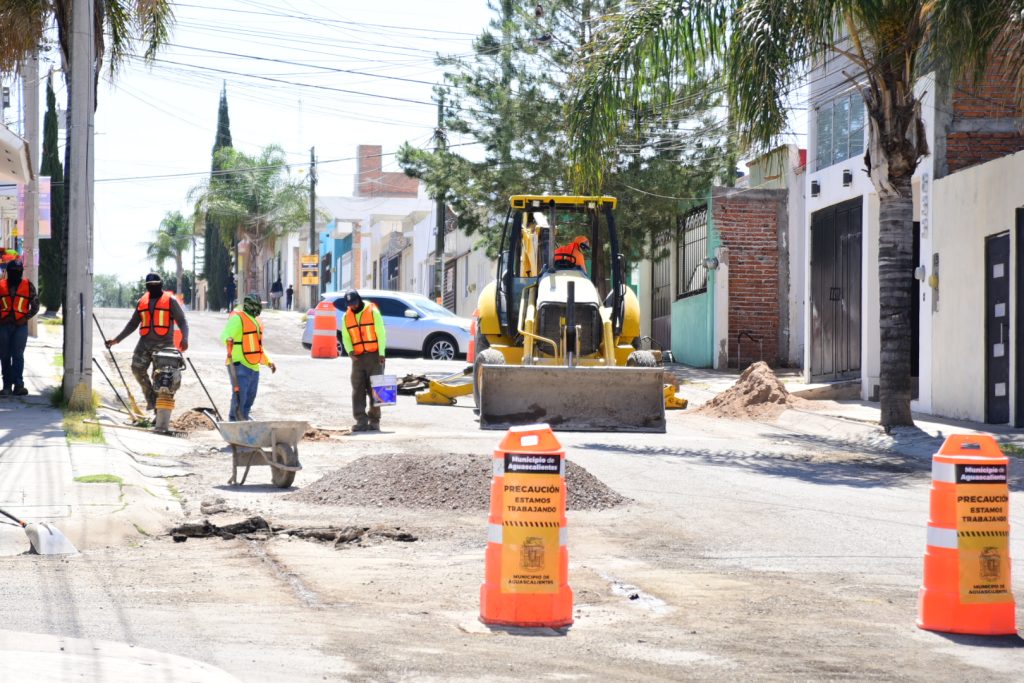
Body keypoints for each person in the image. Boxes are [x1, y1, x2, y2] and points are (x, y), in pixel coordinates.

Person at [106, 273, 189, 411]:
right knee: (137, 369)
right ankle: (151, 400)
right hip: (144, 343)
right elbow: (133, 324)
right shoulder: (142, 302)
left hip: (165, 345)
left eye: (156, 285)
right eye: (150, 285)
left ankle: (160, 411)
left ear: (161, 284)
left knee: (162, 378)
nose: (153, 287)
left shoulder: (170, 301)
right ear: (147, 286)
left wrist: (185, 338)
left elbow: (182, 321)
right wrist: (116, 340)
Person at [335, 290, 386, 432]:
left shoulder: (372, 310)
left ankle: (375, 421)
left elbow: (380, 332)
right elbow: (346, 336)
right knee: (357, 389)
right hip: (357, 357)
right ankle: (361, 421)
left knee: (376, 390)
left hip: (375, 356)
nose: (353, 306)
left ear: (360, 300)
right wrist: (350, 352)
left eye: (355, 303)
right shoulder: (346, 316)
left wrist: (381, 353)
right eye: (350, 304)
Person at [220, 293, 276, 420]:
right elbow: (225, 335)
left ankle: (244, 418)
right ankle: (234, 421)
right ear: (251, 306)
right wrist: (228, 339)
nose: (259, 308)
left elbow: (257, 347)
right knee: (240, 396)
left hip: (253, 366)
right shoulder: (238, 318)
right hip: (239, 363)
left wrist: (268, 362)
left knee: (250, 397)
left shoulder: (256, 322)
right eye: (257, 305)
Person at [0, 260, 40, 396]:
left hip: (20, 326)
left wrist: (24, 318)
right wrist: (2, 318)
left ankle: (18, 385)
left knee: (17, 356)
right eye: (13, 272)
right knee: (4, 356)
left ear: (21, 273)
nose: (15, 275)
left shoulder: (28, 286)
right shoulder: (1, 285)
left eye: (18, 272)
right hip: (3, 326)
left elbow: (35, 306)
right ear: (8, 273)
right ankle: (6, 386)